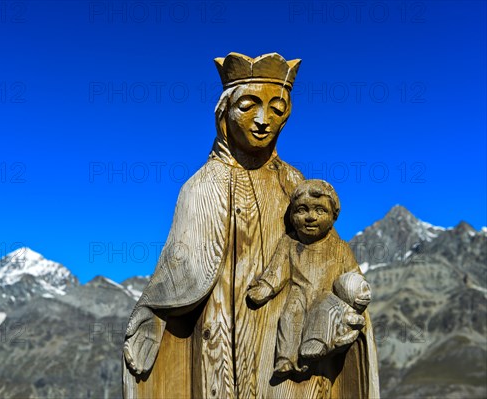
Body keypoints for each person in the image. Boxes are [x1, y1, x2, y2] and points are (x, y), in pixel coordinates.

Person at [122, 53, 379, 399]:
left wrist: (343, 300)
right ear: (225, 110)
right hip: (221, 336)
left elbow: (327, 253)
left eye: (277, 108)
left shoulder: (294, 182)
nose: (263, 120)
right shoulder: (204, 185)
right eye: (248, 106)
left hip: (283, 339)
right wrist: (153, 313)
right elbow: (179, 265)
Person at [247, 180, 372, 379]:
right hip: (299, 292)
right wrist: (264, 288)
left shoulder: (339, 247)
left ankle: (316, 344)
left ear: (333, 217)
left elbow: (354, 276)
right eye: (302, 210)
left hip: (328, 298)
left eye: (320, 211)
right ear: (292, 215)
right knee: (290, 313)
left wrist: (359, 293)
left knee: (325, 310)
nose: (310, 217)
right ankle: (286, 359)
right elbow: (276, 271)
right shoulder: (289, 242)